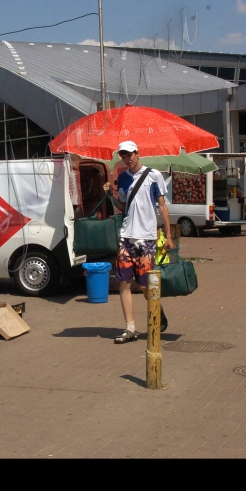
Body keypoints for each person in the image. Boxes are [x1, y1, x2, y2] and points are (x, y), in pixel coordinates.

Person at [103, 141, 174, 344]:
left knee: (144, 286)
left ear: (137, 153)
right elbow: (123, 206)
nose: (127, 159)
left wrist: (168, 235)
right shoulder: (123, 178)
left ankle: (156, 312)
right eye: (123, 156)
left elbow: (162, 206)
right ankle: (130, 328)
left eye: (130, 154)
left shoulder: (153, 176)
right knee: (123, 282)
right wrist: (109, 195)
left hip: (147, 237)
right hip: (127, 235)